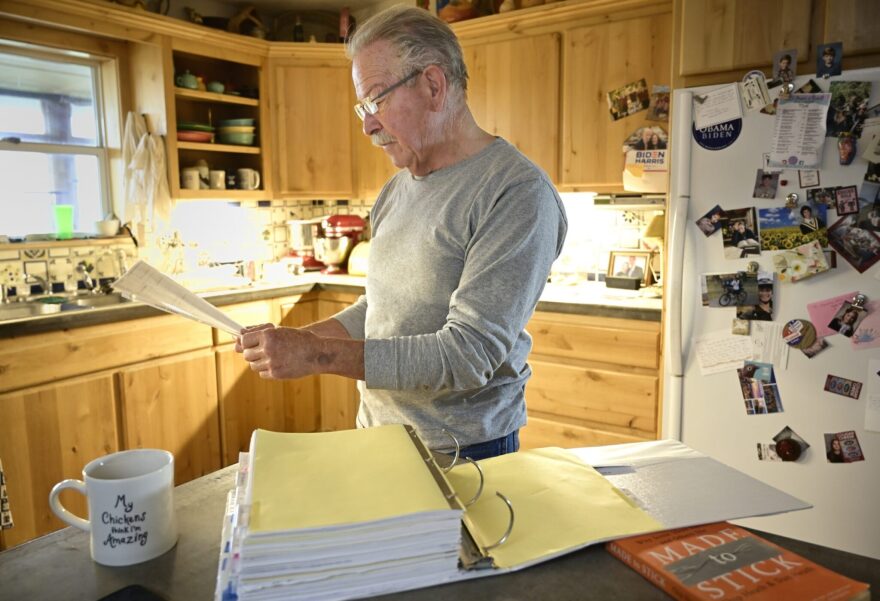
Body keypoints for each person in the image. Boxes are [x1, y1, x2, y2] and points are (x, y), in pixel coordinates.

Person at [235, 6, 567, 459]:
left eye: (376, 101)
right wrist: (294, 342)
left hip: (464, 450)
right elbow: (380, 309)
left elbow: (468, 355)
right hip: (378, 436)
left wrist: (316, 356)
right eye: (362, 107)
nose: (367, 124)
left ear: (433, 85)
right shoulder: (395, 190)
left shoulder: (516, 192)